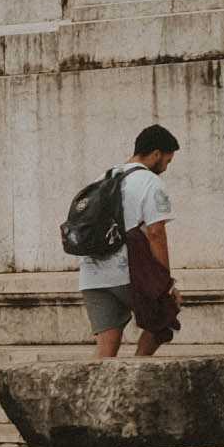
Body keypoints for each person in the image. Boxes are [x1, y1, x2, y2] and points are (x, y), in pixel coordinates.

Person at [78, 125, 181, 359]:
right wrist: (164, 281)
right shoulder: (149, 182)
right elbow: (155, 233)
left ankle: (101, 392)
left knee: (106, 347)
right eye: (167, 161)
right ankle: (137, 370)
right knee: (164, 315)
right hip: (128, 272)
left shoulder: (103, 178)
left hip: (92, 275)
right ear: (156, 154)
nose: (165, 167)